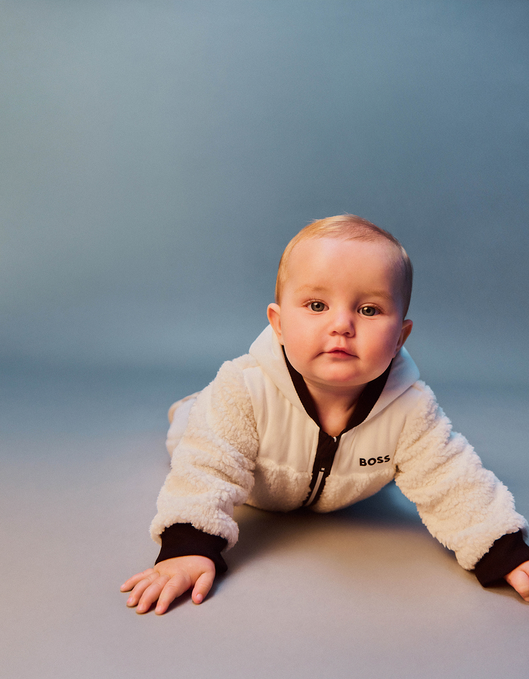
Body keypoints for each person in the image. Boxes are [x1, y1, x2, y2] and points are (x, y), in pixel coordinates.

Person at [121, 215, 529, 614]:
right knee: (196, 430)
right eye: (317, 305)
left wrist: (507, 553)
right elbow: (206, 468)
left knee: (432, 464)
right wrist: (188, 548)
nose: (342, 325)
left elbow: (453, 480)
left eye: (369, 310)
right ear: (278, 325)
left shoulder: (410, 408)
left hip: (340, 488)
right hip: (249, 473)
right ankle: (192, 406)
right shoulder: (244, 389)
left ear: (400, 337)